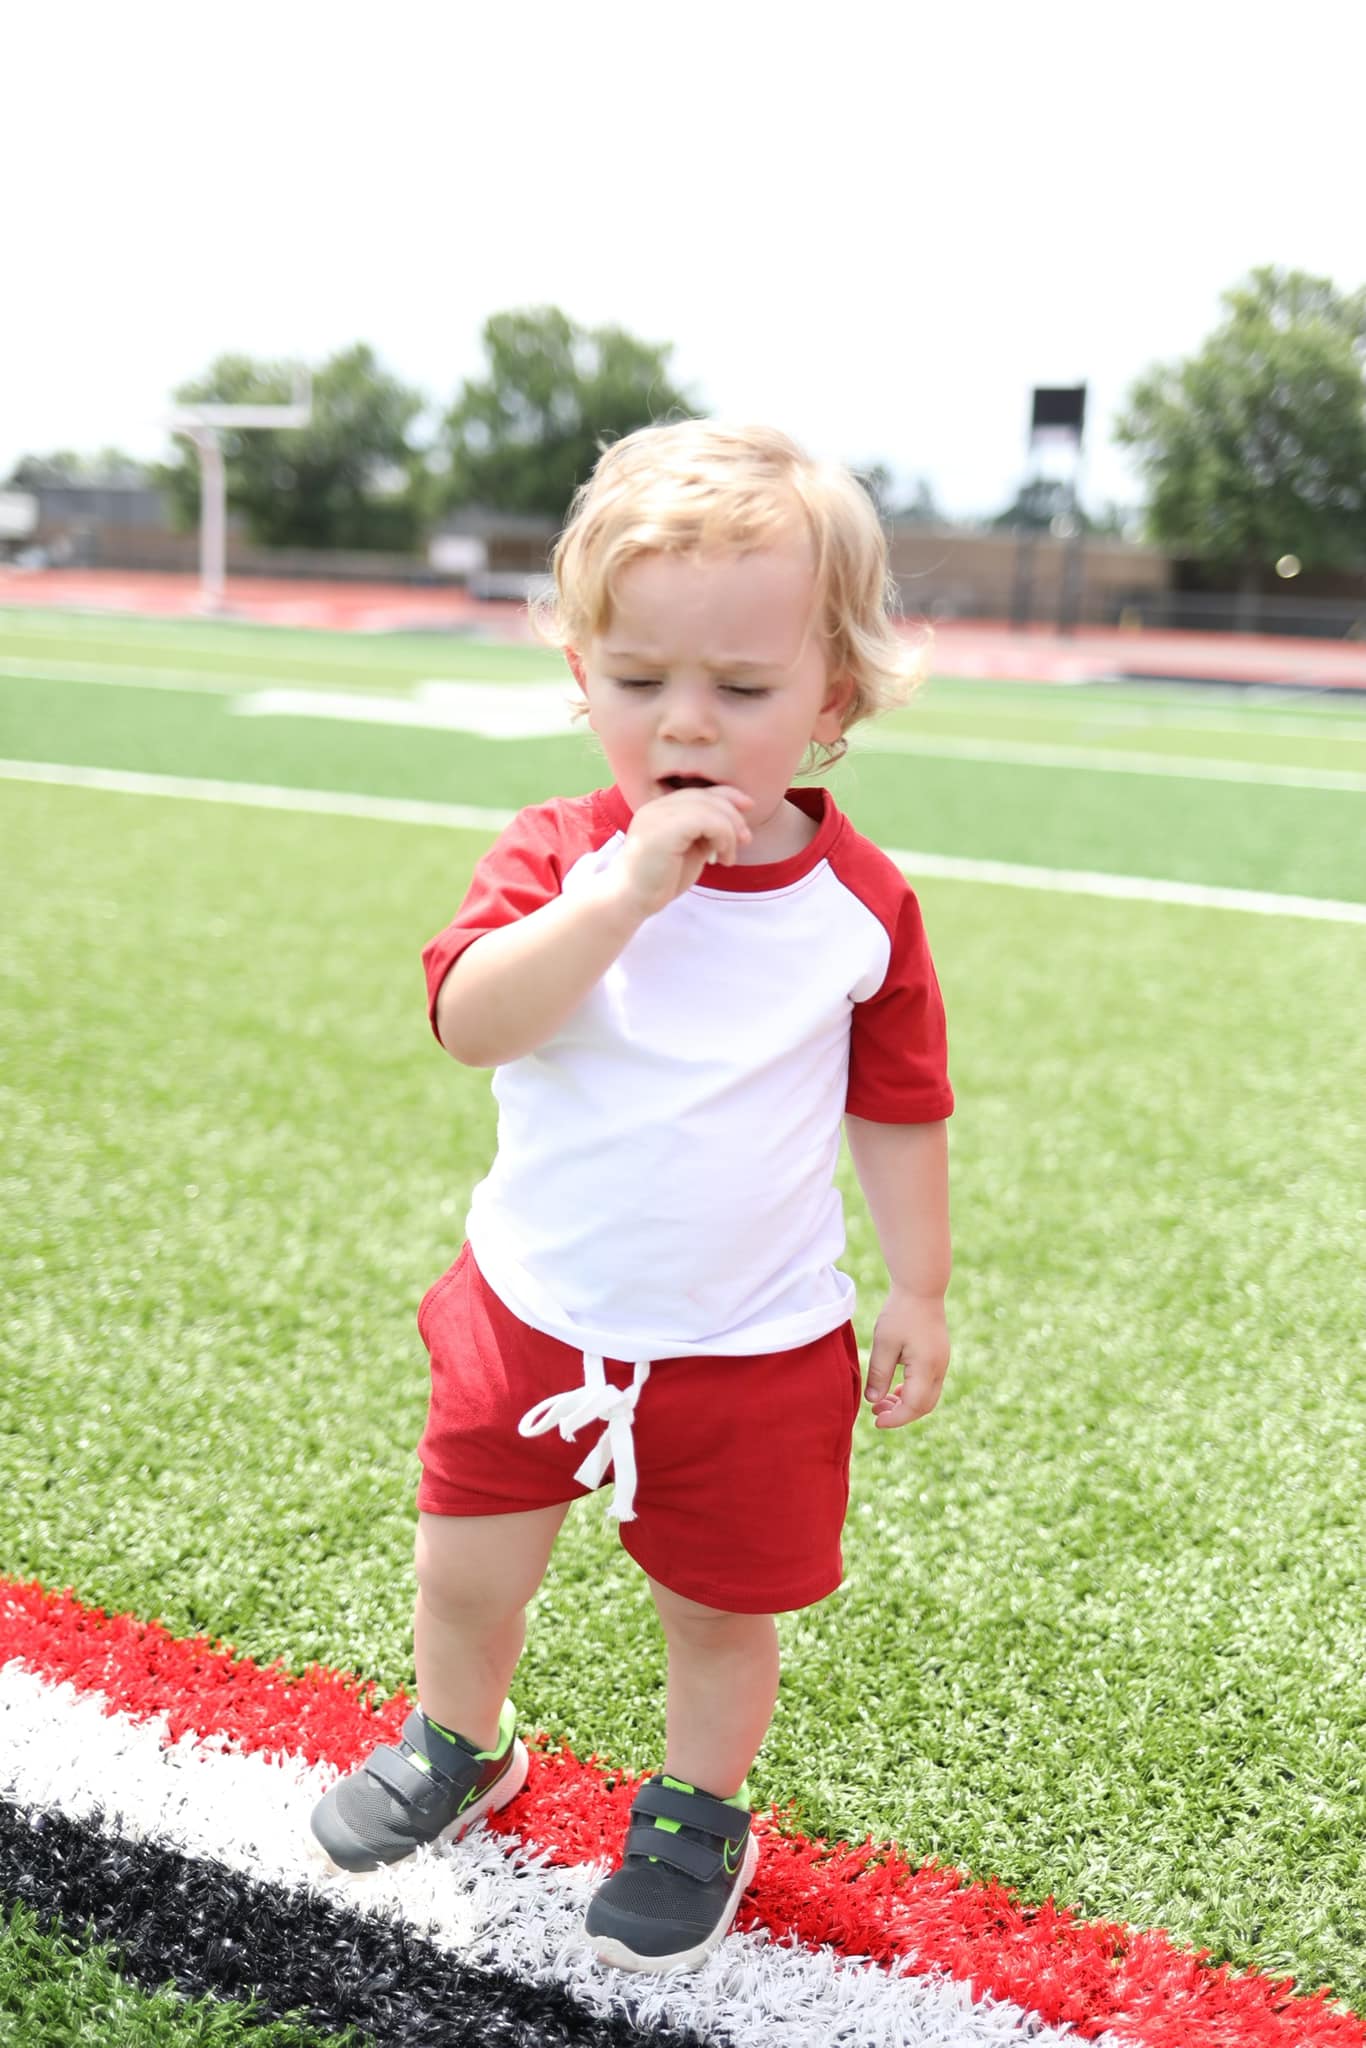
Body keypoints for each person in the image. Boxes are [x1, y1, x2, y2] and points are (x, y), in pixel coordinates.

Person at [310, 420, 954, 1974]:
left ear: (831, 700)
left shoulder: (857, 908)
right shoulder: (555, 854)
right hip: (532, 1308)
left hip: (749, 1338)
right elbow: (474, 1022)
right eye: (639, 681)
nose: (685, 725)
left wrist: (921, 1286)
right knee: (464, 1573)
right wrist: (617, 892)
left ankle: (692, 1804)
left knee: (719, 1613)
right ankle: (463, 1739)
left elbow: (899, 1104)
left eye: (740, 692)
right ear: (580, 676)